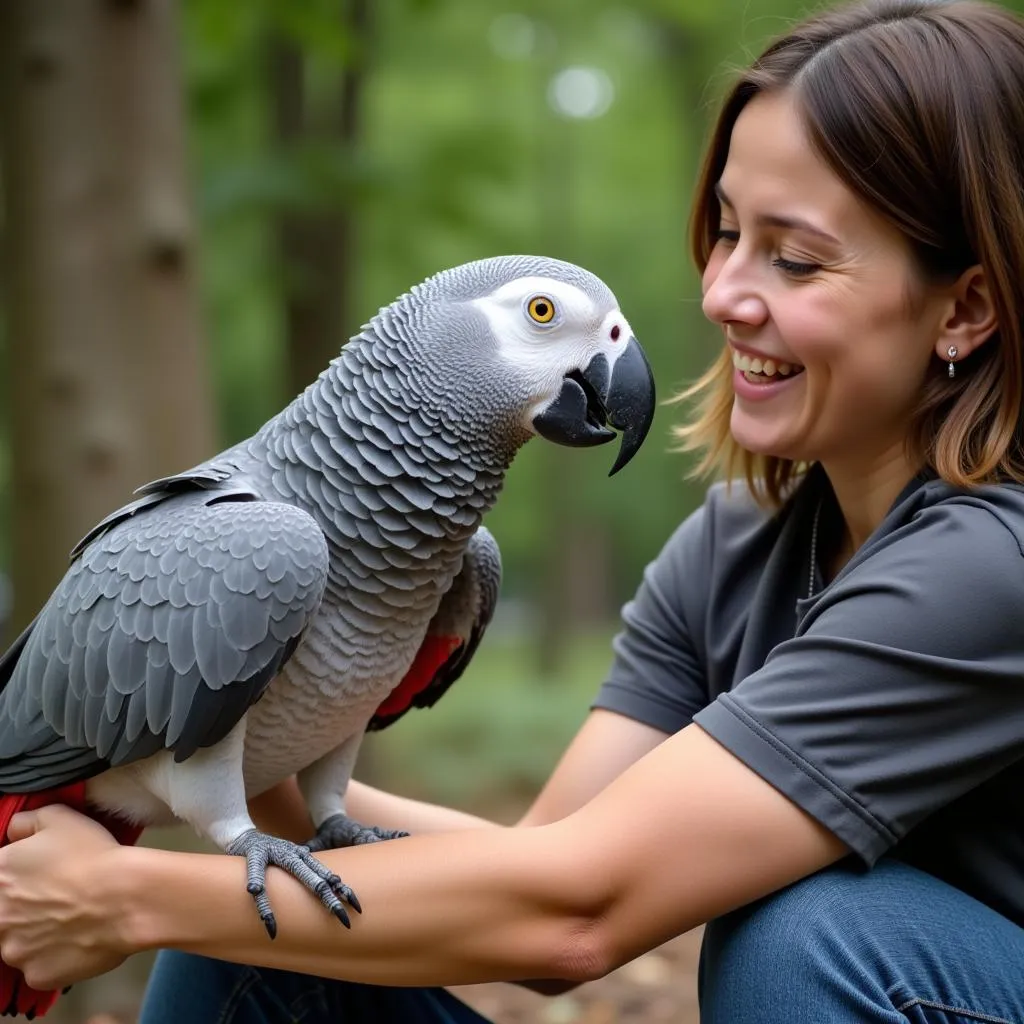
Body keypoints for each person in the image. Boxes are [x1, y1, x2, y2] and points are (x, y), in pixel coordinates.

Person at [3, 0, 1024, 1020]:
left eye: (794, 257)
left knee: (815, 938)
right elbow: (545, 868)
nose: (720, 294)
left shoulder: (990, 562)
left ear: (965, 307)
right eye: (724, 233)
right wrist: (239, 768)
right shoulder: (736, 540)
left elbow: (577, 916)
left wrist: (130, 897)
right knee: (278, 919)